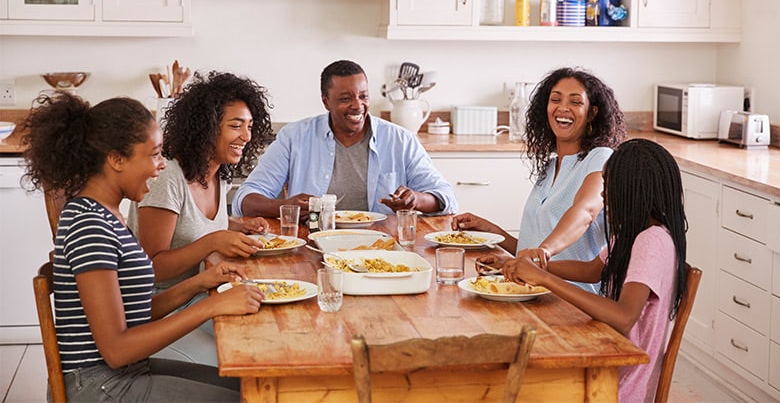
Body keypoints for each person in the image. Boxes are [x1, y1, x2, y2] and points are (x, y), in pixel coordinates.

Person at [21, 92, 265, 402]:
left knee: (252, 386)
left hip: (124, 374)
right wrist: (211, 306)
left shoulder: (108, 214)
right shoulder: (89, 225)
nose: (162, 165)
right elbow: (116, 349)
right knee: (250, 398)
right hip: (100, 386)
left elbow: (134, 312)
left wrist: (200, 283)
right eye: (154, 154)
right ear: (116, 159)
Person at [501, 138, 689, 403]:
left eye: (609, 190)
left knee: (520, 384)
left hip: (620, 383)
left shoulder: (652, 241)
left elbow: (624, 317)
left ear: (632, 192)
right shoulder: (633, 233)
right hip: (609, 361)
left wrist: (544, 278)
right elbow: (592, 271)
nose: (603, 197)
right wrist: (533, 266)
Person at [451, 66, 626, 293]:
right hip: (535, 291)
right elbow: (531, 252)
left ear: (592, 113)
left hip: (574, 301)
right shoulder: (551, 167)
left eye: (575, 102)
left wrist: (544, 250)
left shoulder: (601, 158)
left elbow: (586, 212)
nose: (563, 108)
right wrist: (491, 231)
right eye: (555, 99)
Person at [232, 59, 457, 220]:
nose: (357, 105)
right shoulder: (294, 137)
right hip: (313, 244)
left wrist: (416, 199)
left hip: (383, 247)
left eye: (363, 96)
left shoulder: (400, 140)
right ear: (325, 101)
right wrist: (284, 206)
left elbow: (446, 197)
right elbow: (244, 200)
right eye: (345, 98)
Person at [129, 71, 274, 294]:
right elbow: (152, 268)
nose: (247, 136)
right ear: (206, 128)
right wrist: (213, 241)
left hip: (205, 291)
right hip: (163, 304)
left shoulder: (219, 171)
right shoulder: (167, 177)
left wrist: (238, 225)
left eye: (250, 126)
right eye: (236, 126)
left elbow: (190, 224)